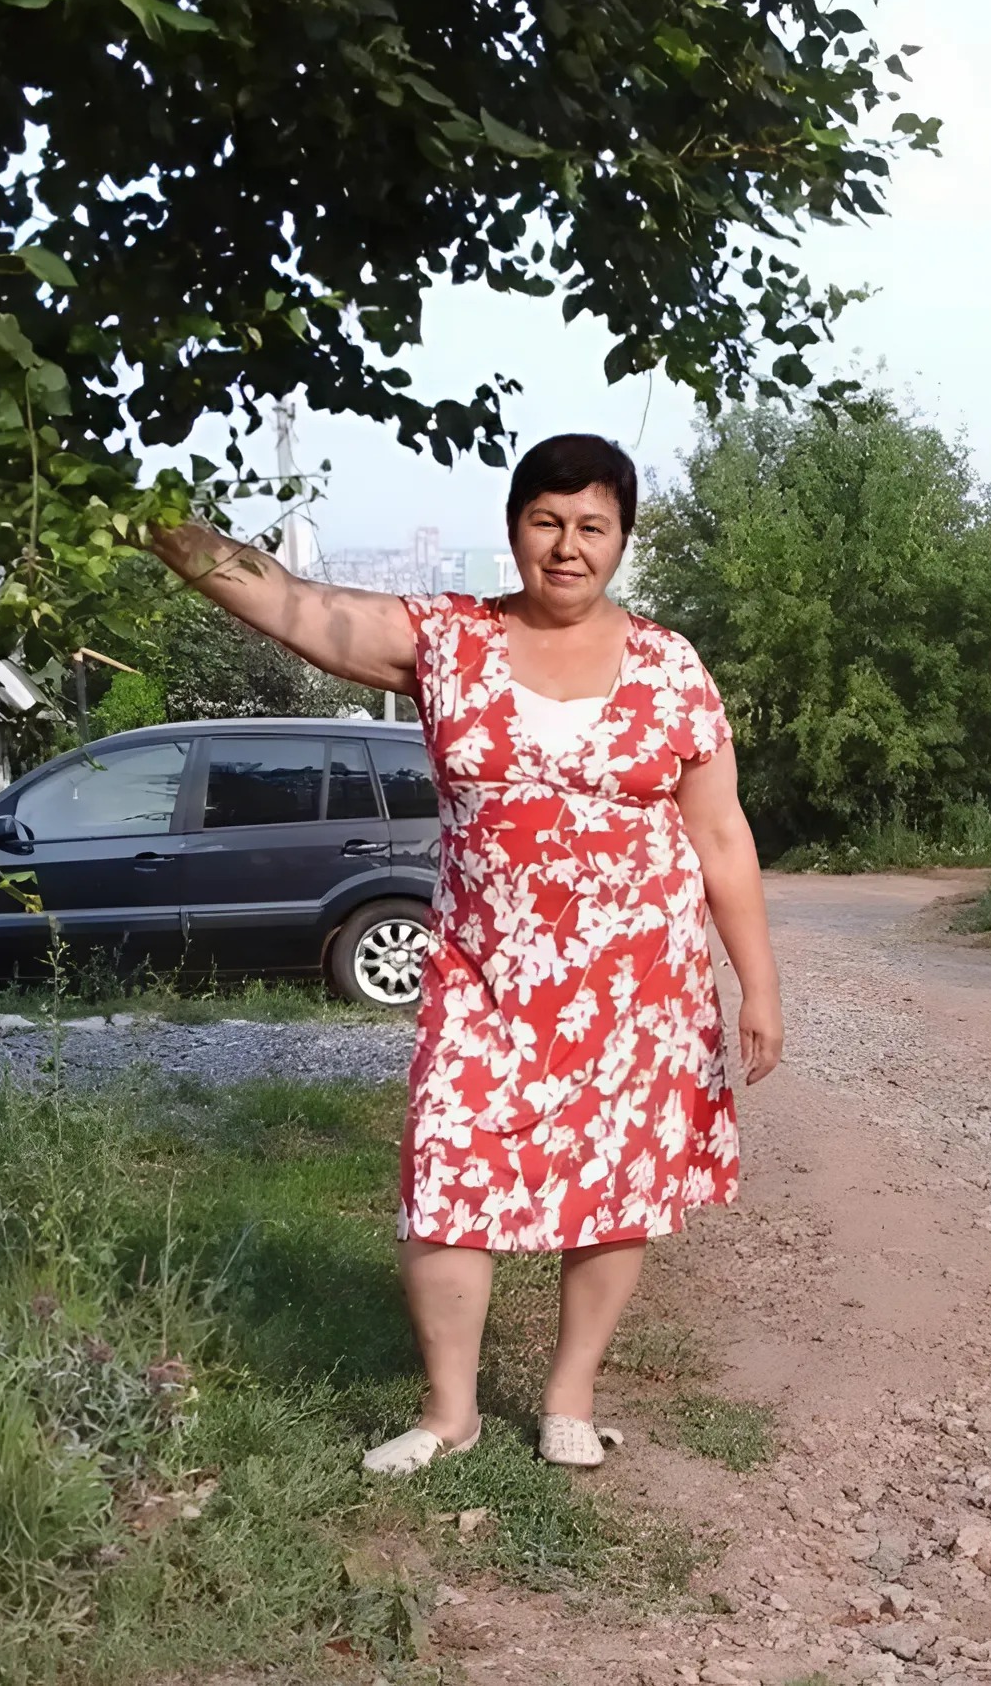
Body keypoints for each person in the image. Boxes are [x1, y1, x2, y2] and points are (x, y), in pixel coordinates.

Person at [150, 433, 783, 1473]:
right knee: (446, 1173)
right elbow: (293, 604)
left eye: (593, 526)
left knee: (616, 1186)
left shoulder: (672, 667)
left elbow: (719, 833)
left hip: (638, 983)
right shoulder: (446, 638)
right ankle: (451, 1412)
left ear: (622, 538)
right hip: (482, 980)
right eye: (547, 521)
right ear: (514, 528)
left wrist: (757, 983)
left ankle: (569, 1397)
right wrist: (146, 520)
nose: (568, 547)